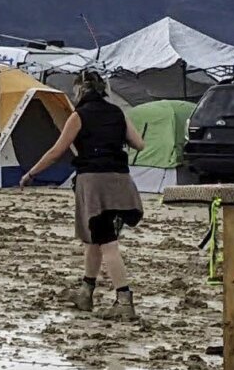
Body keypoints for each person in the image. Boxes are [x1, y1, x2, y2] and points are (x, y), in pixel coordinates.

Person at [21, 72, 145, 321]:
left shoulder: (79, 116)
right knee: (93, 240)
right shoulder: (118, 113)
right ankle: (86, 292)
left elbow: (57, 151)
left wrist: (31, 173)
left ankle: (124, 300)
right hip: (120, 181)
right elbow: (139, 144)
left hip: (94, 184)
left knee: (107, 244)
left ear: (80, 90)